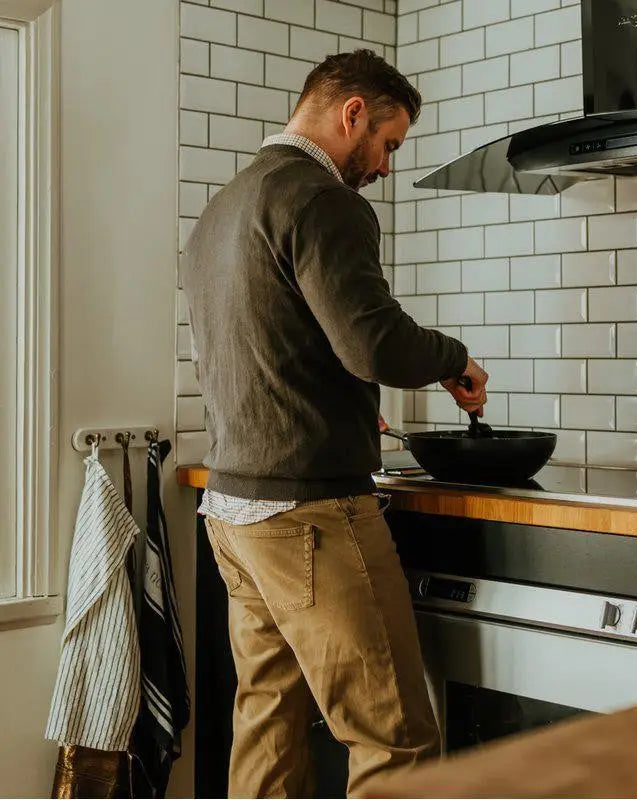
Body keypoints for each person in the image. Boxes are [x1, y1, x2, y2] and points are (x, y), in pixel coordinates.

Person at [181, 48, 489, 799]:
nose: (384, 166)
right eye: (388, 143)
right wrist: (453, 356)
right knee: (395, 734)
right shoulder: (321, 199)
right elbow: (373, 342)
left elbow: (272, 350)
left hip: (234, 511)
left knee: (266, 720)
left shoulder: (223, 209)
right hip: (310, 513)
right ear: (353, 112)